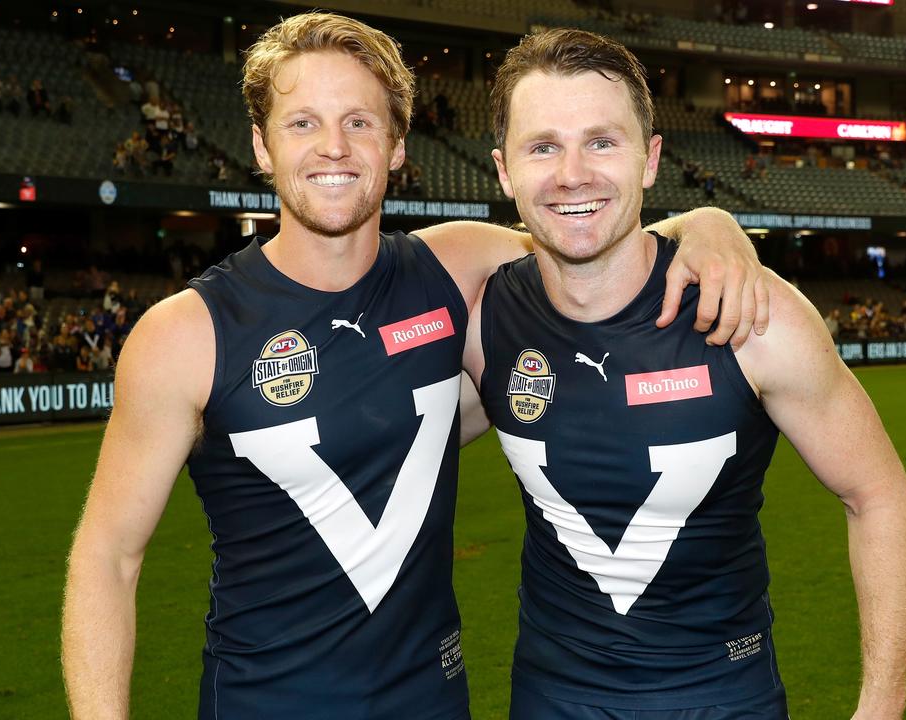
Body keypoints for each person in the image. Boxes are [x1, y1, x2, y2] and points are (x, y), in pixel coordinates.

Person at [61, 13, 770, 720]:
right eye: (303, 123)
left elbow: (589, 231)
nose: (334, 148)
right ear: (261, 145)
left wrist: (705, 223)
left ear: (397, 146)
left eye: (360, 123)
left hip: (432, 701)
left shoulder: (456, 265)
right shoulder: (184, 335)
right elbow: (108, 557)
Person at [461, 29, 906, 719]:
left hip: (721, 698)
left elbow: (877, 495)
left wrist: (881, 705)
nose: (573, 173)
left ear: (650, 160)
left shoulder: (755, 317)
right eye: (544, 145)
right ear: (503, 171)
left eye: (602, 142)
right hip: (552, 699)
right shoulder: (482, 316)